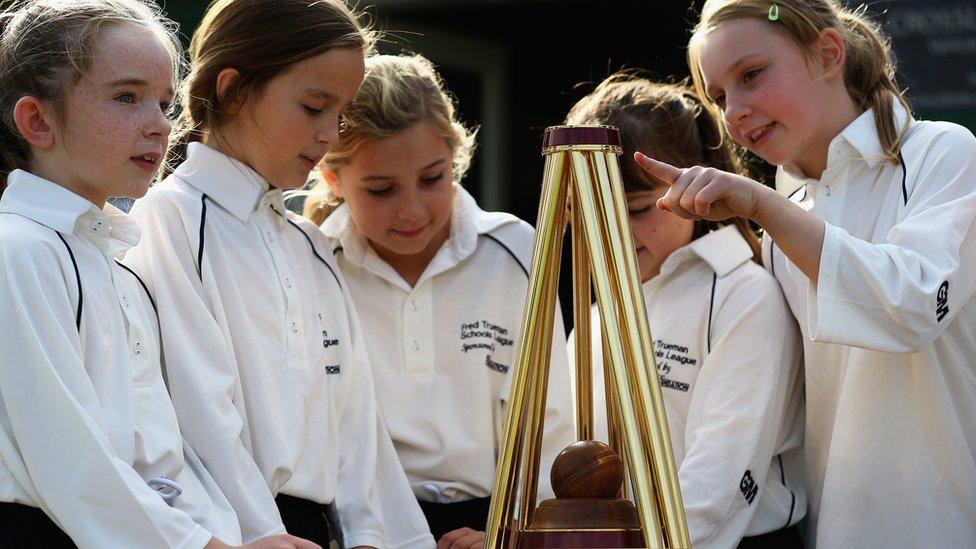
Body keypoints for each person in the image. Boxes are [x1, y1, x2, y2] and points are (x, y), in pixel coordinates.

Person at [636, 0, 976, 546]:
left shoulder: (944, 152)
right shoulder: (782, 205)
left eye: (751, 75)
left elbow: (911, 308)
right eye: (719, 96)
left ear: (828, 53)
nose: (734, 112)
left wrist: (764, 208)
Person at [0, 1, 315, 547]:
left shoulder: (113, 261)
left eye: (166, 103)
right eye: (126, 97)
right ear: (37, 121)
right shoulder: (19, 250)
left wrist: (234, 537)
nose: (158, 124)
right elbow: (73, 461)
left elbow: (160, 455)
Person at [124, 2, 433, 547]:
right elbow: (197, 413)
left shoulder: (311, 246)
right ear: (232, 89)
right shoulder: (168, 220)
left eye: (340, 113)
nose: (330, 135)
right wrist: (258, 531)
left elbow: (356, 428)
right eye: (314, 107)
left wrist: (376, 539)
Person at [303, 54, 574, 544]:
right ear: (332, 179)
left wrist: (513, 532)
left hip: (493, 525)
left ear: (456, 159)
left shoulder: (515, 250)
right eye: (381, 189)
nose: (411, 210)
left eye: (432, 179)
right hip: (361, 526)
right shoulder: (313, 261)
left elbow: (550, 418)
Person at [564, 74, 806, 549]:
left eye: (635, 209)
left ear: (695, 189)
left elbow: (721, 474)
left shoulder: (744, 293)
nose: (613, 232)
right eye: (595, 211)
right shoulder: (598, 310)